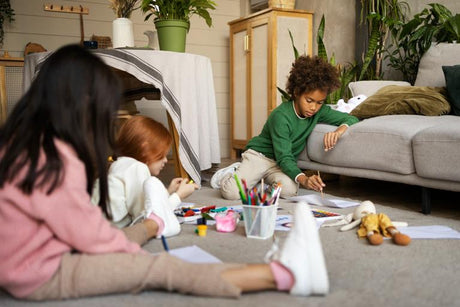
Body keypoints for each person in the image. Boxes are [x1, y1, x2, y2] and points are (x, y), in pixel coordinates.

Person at [0, 44, 329, 300]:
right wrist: (129, 257)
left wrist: (149, 225)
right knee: (161, 268)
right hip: (40, 272)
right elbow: (89, 236)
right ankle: (285, 274)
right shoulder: (54, 159)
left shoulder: (22, 141)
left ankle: (153, 222)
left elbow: (78, 222)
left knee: (129, 232)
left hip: (35, 250)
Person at [211, 55, 359, 200]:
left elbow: (352, 117)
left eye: (320, 102)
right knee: (231, 193)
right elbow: (285, 157)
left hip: (279, 165)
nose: (314, 107)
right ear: (296, 92)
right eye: (309, 100)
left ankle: (256, 181)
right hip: (260, 157)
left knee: (289, 191)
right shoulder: (281, 116)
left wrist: (338, 132)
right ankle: (230, 173)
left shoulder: (319, 111)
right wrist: (305, 179)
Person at [91, 115, 199, 237]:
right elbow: (146, 217)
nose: (165, 160)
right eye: (161, 155)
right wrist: (178, 196)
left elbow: (144, 200)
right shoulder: (137, 167)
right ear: (145, 148)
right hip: (99, 233)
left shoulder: (121, 164)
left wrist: (167, 192)